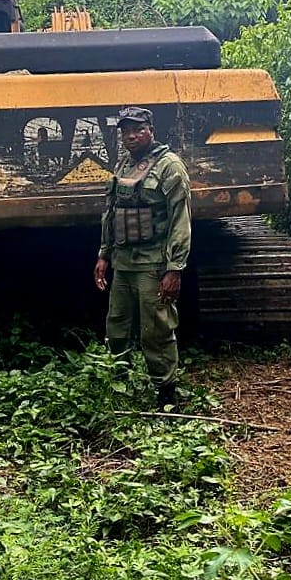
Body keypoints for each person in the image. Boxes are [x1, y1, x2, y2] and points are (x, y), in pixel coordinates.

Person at [94, 106, 191, 409]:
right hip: (123, 263)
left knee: (156, 331)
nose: (131, 136)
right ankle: (118, 385)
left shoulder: (169, 166)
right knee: (117, 327)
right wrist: (104, 254)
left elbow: (180, 220)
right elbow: (112, 213)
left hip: (153, 265)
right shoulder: (124, 165)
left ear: (151, 130)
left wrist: (174, 269)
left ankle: (166, 395)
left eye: (137, 129)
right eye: (125, 131)